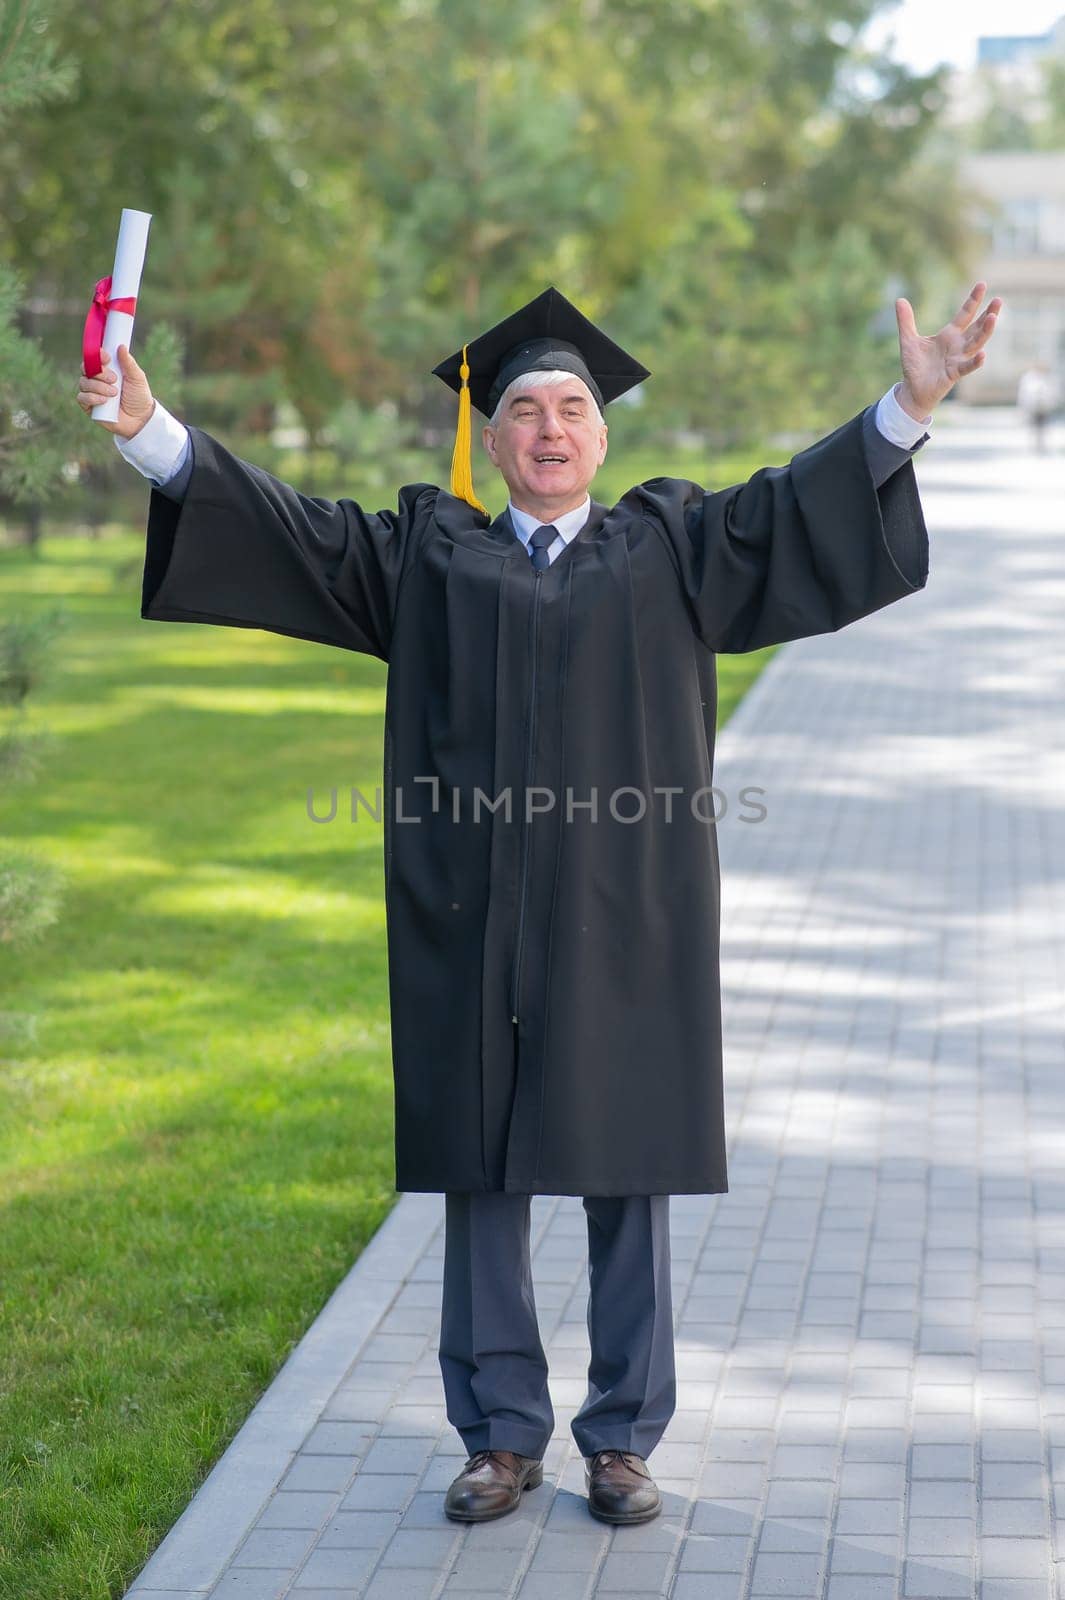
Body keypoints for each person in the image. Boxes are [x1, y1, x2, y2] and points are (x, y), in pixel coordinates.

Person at [77, 280, 1000, 1528]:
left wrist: (908, 404)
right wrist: (147, 427)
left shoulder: (673, 547)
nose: (552, 428)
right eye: (525, 409)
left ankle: (621, 1440)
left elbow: (795, 509)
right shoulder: (425, 555)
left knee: (632, 1175)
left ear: (604, 436)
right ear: (492, 437)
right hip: (476, 921)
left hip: (631, 922)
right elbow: (287, 529)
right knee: (483, 1178)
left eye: (574, 407)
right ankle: (499, 1438)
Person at [1016, 360, 1060, 454]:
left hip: (1043, 407)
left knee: (1043, 427)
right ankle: (1036, 445)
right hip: (1033, 407)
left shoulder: (1047, 377)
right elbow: (1024, 394)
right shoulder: (1029, 378)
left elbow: (1051, 392)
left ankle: (1042, 444)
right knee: (1035, 427)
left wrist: (1050, 402)